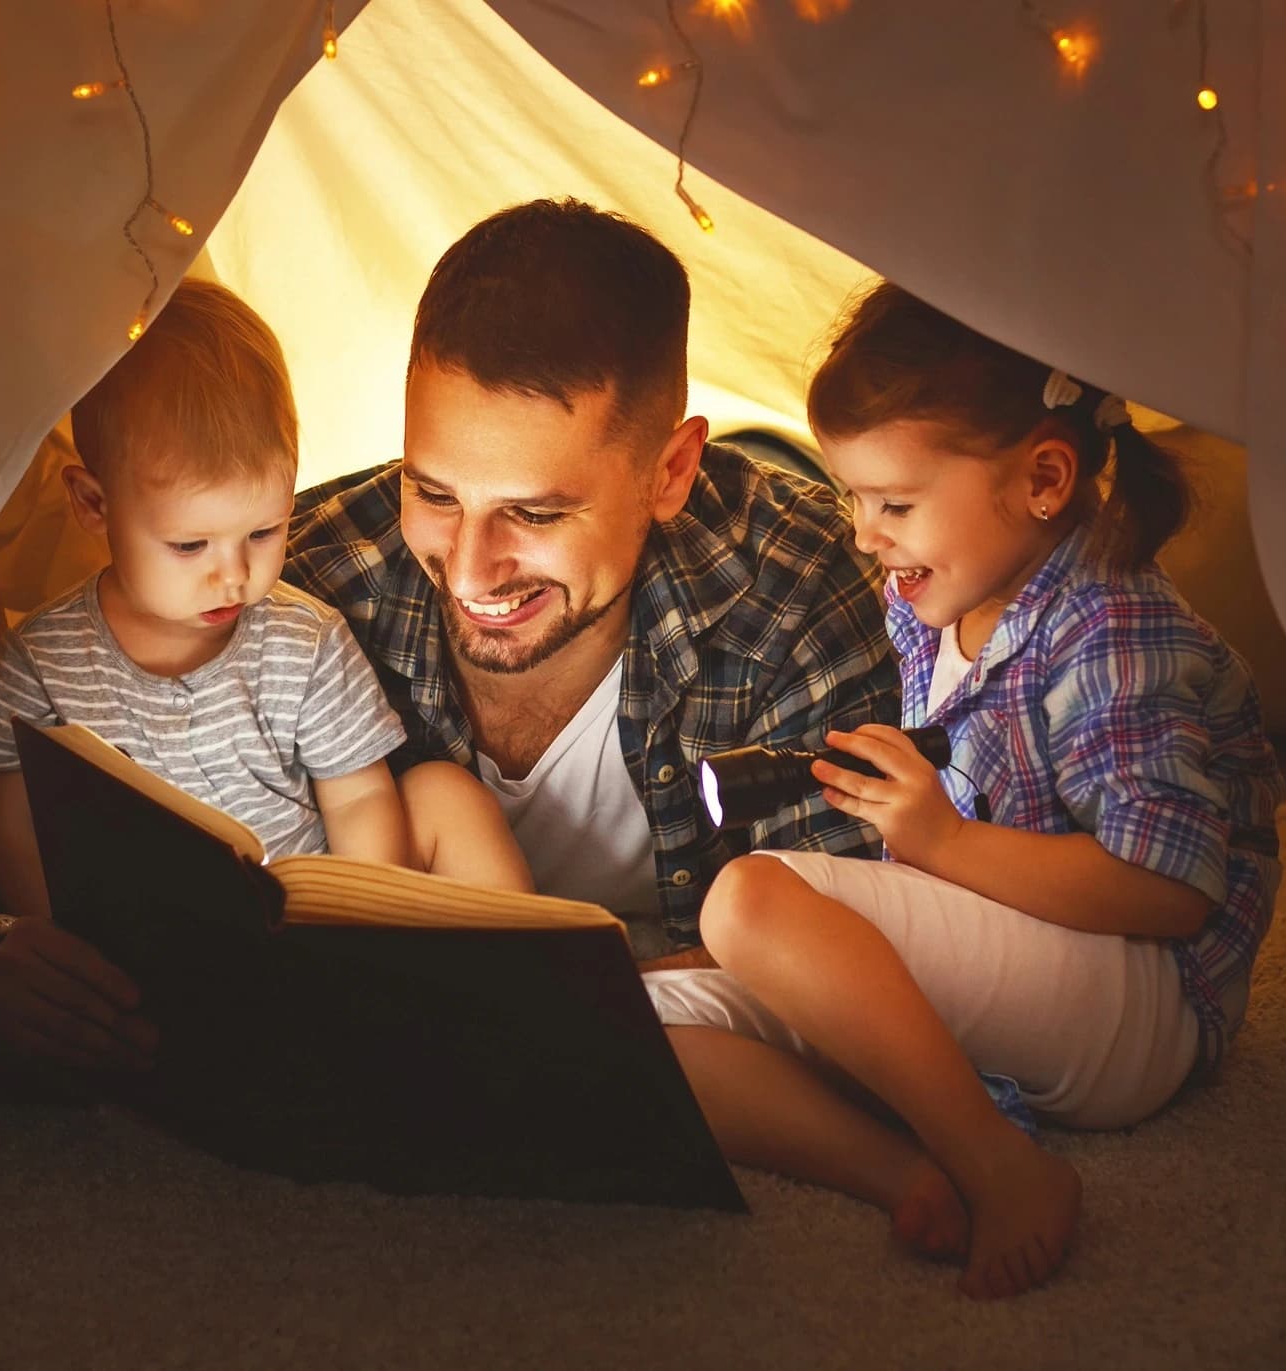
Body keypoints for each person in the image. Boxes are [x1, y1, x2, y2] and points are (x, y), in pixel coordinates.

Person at [647, 283, 1283, 1300]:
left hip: (1140, 1003)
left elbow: (1171, 891)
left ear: (1041, 478)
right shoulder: (929, 605)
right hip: (1013, 974)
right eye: (851, 498)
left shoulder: (1109, 627)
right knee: (641, 1029)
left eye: (893, 504)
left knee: (748, 897)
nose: (863, 534)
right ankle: (905, 1169)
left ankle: (999, 1165)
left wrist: (938, 843)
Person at [282, 198, 901, 965]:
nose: (470, 569)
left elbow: (844, 953)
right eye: (434, 493)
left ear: (670, 472)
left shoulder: (795, 592)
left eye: (535, 514)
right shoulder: (303, 589)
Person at [0, 278, 532, 1072]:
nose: (233, 575)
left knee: (443, 794)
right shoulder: (41, 663)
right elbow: (14, 821)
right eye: (191, 546)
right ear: (95, 505)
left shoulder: (303, 638)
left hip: (305, 924)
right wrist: (51, 935)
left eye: (264, 531)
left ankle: (524, 998)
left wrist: (354, 923)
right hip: (149, 944)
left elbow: (362, 793)